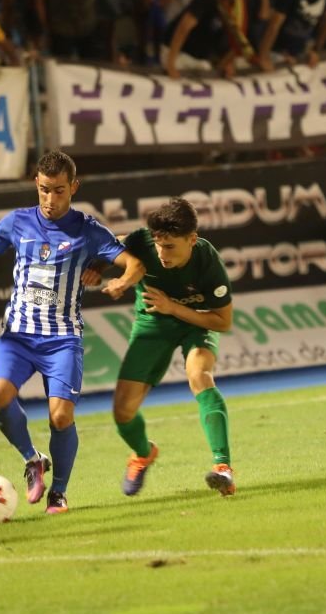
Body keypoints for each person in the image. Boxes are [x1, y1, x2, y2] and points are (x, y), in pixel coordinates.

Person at [0, 151, 145, 513]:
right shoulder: (17, 222)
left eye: (59, 191)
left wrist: (121, 281)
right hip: (18, 336)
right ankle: (32, 458)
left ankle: (58, 491)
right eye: (44, 190)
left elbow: (134, 263)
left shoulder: (88, 230)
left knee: (61, 417)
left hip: (62, 339)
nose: (50, 199)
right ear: (36, 183)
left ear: (74, 187)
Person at [91, 197, 237, 497]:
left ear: (192, 239)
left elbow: (223, 321)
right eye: (158, 245)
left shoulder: (208, 262)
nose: (162, 253)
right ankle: (143, 454)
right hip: (153, 322)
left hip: (196, 321)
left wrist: (173, 307)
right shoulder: (142, 241)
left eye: (170, 246)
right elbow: (112, 244)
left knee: (199, 375)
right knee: (123, 412)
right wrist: (97, 266)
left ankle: (223, 467)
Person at [163, 0, 269, 78]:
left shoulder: (240, 5)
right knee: (205, 68)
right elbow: (184, 27)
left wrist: (226, 63)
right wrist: (170, 63)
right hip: (176, 52)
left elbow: (238, 39)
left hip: (200, 57)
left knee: (240, 65)